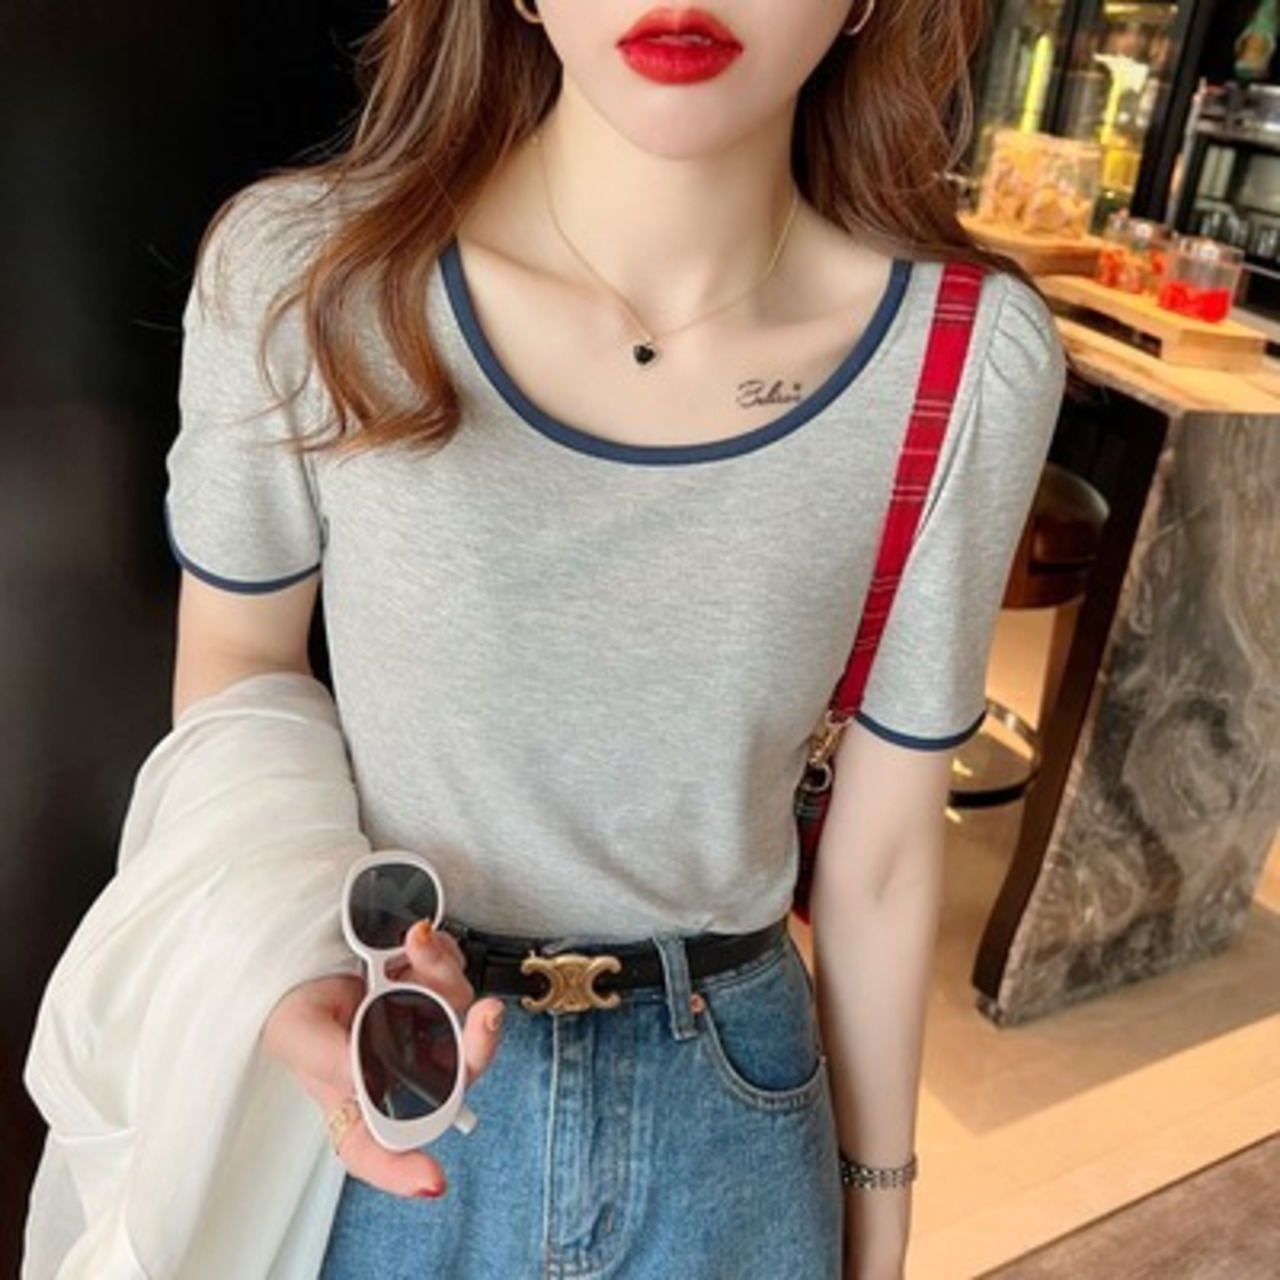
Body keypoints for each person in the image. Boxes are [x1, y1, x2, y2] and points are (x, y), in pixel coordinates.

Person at [33, 1, 1067, 1277]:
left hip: (731, 1120)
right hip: (391, 1080)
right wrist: (276, 958)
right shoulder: (306, 278)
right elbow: (240, 673)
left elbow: (885, 854)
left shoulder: (963, 358)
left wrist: (879, 1209)